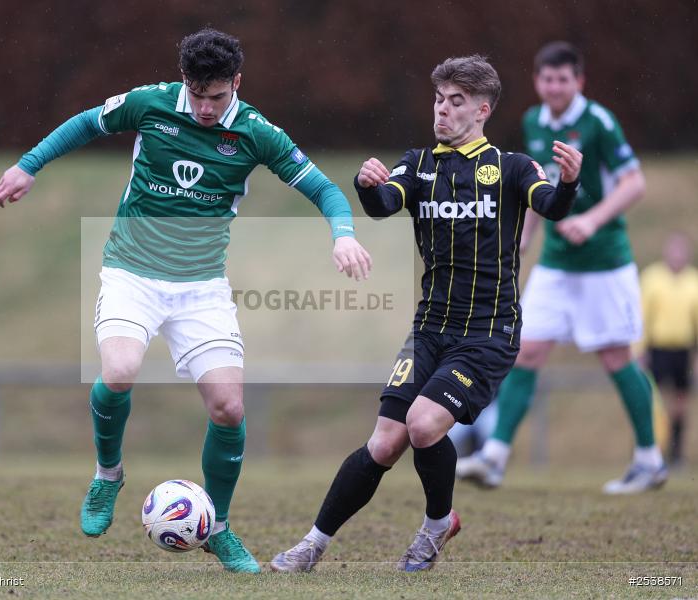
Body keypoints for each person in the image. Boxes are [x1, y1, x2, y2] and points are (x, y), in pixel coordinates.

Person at [0, 28, 372, 573]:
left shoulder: (256, 132)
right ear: (185, 82)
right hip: (132, 272)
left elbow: (323, 189)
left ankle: (217, 527)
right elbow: (83, 124)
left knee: (229, 407)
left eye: (217, 97)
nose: (205, 108)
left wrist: (343, 233)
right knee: (119, 369)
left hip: (201, 288)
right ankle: (108, 475)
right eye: (197, 95)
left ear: (236, 84)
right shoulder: (151, 104)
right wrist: (28, 165)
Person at [270, 55, 581, 573]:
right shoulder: (418, 164)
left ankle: (435, 525)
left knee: (422, 424)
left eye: (456, 102)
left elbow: (550, 206)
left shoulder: (513, 167)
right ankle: (312, 544)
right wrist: (367, 184)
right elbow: (384, 203)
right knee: (385, 441)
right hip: (430, 329)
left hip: (487, 334)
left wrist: (569, 183)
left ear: (482, 110)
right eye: (439, 99)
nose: (442, 110)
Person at [455, 41, 666, 495]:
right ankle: (494, 457)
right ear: (537, 81)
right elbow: (536, 190)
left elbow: (635, 183)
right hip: (555, 264)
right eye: (546, 79)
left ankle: (650, 460)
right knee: (525, 351)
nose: (554, 87)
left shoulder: (598, 123)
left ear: (579, 82)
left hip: (604, 262)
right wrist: (524, 239)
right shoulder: (533, 122)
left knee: (615, 358)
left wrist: (590, 220)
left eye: (562, 80)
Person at [640, 232, 698, 466]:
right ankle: (649, 449)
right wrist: (640, 350)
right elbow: (642, 316)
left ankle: (676, 454)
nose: (677, 256)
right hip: (657, 349)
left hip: (683, 350)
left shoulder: (693, 281)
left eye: (681, 251)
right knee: (655, 403)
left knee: (680, 404)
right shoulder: (652, 278)